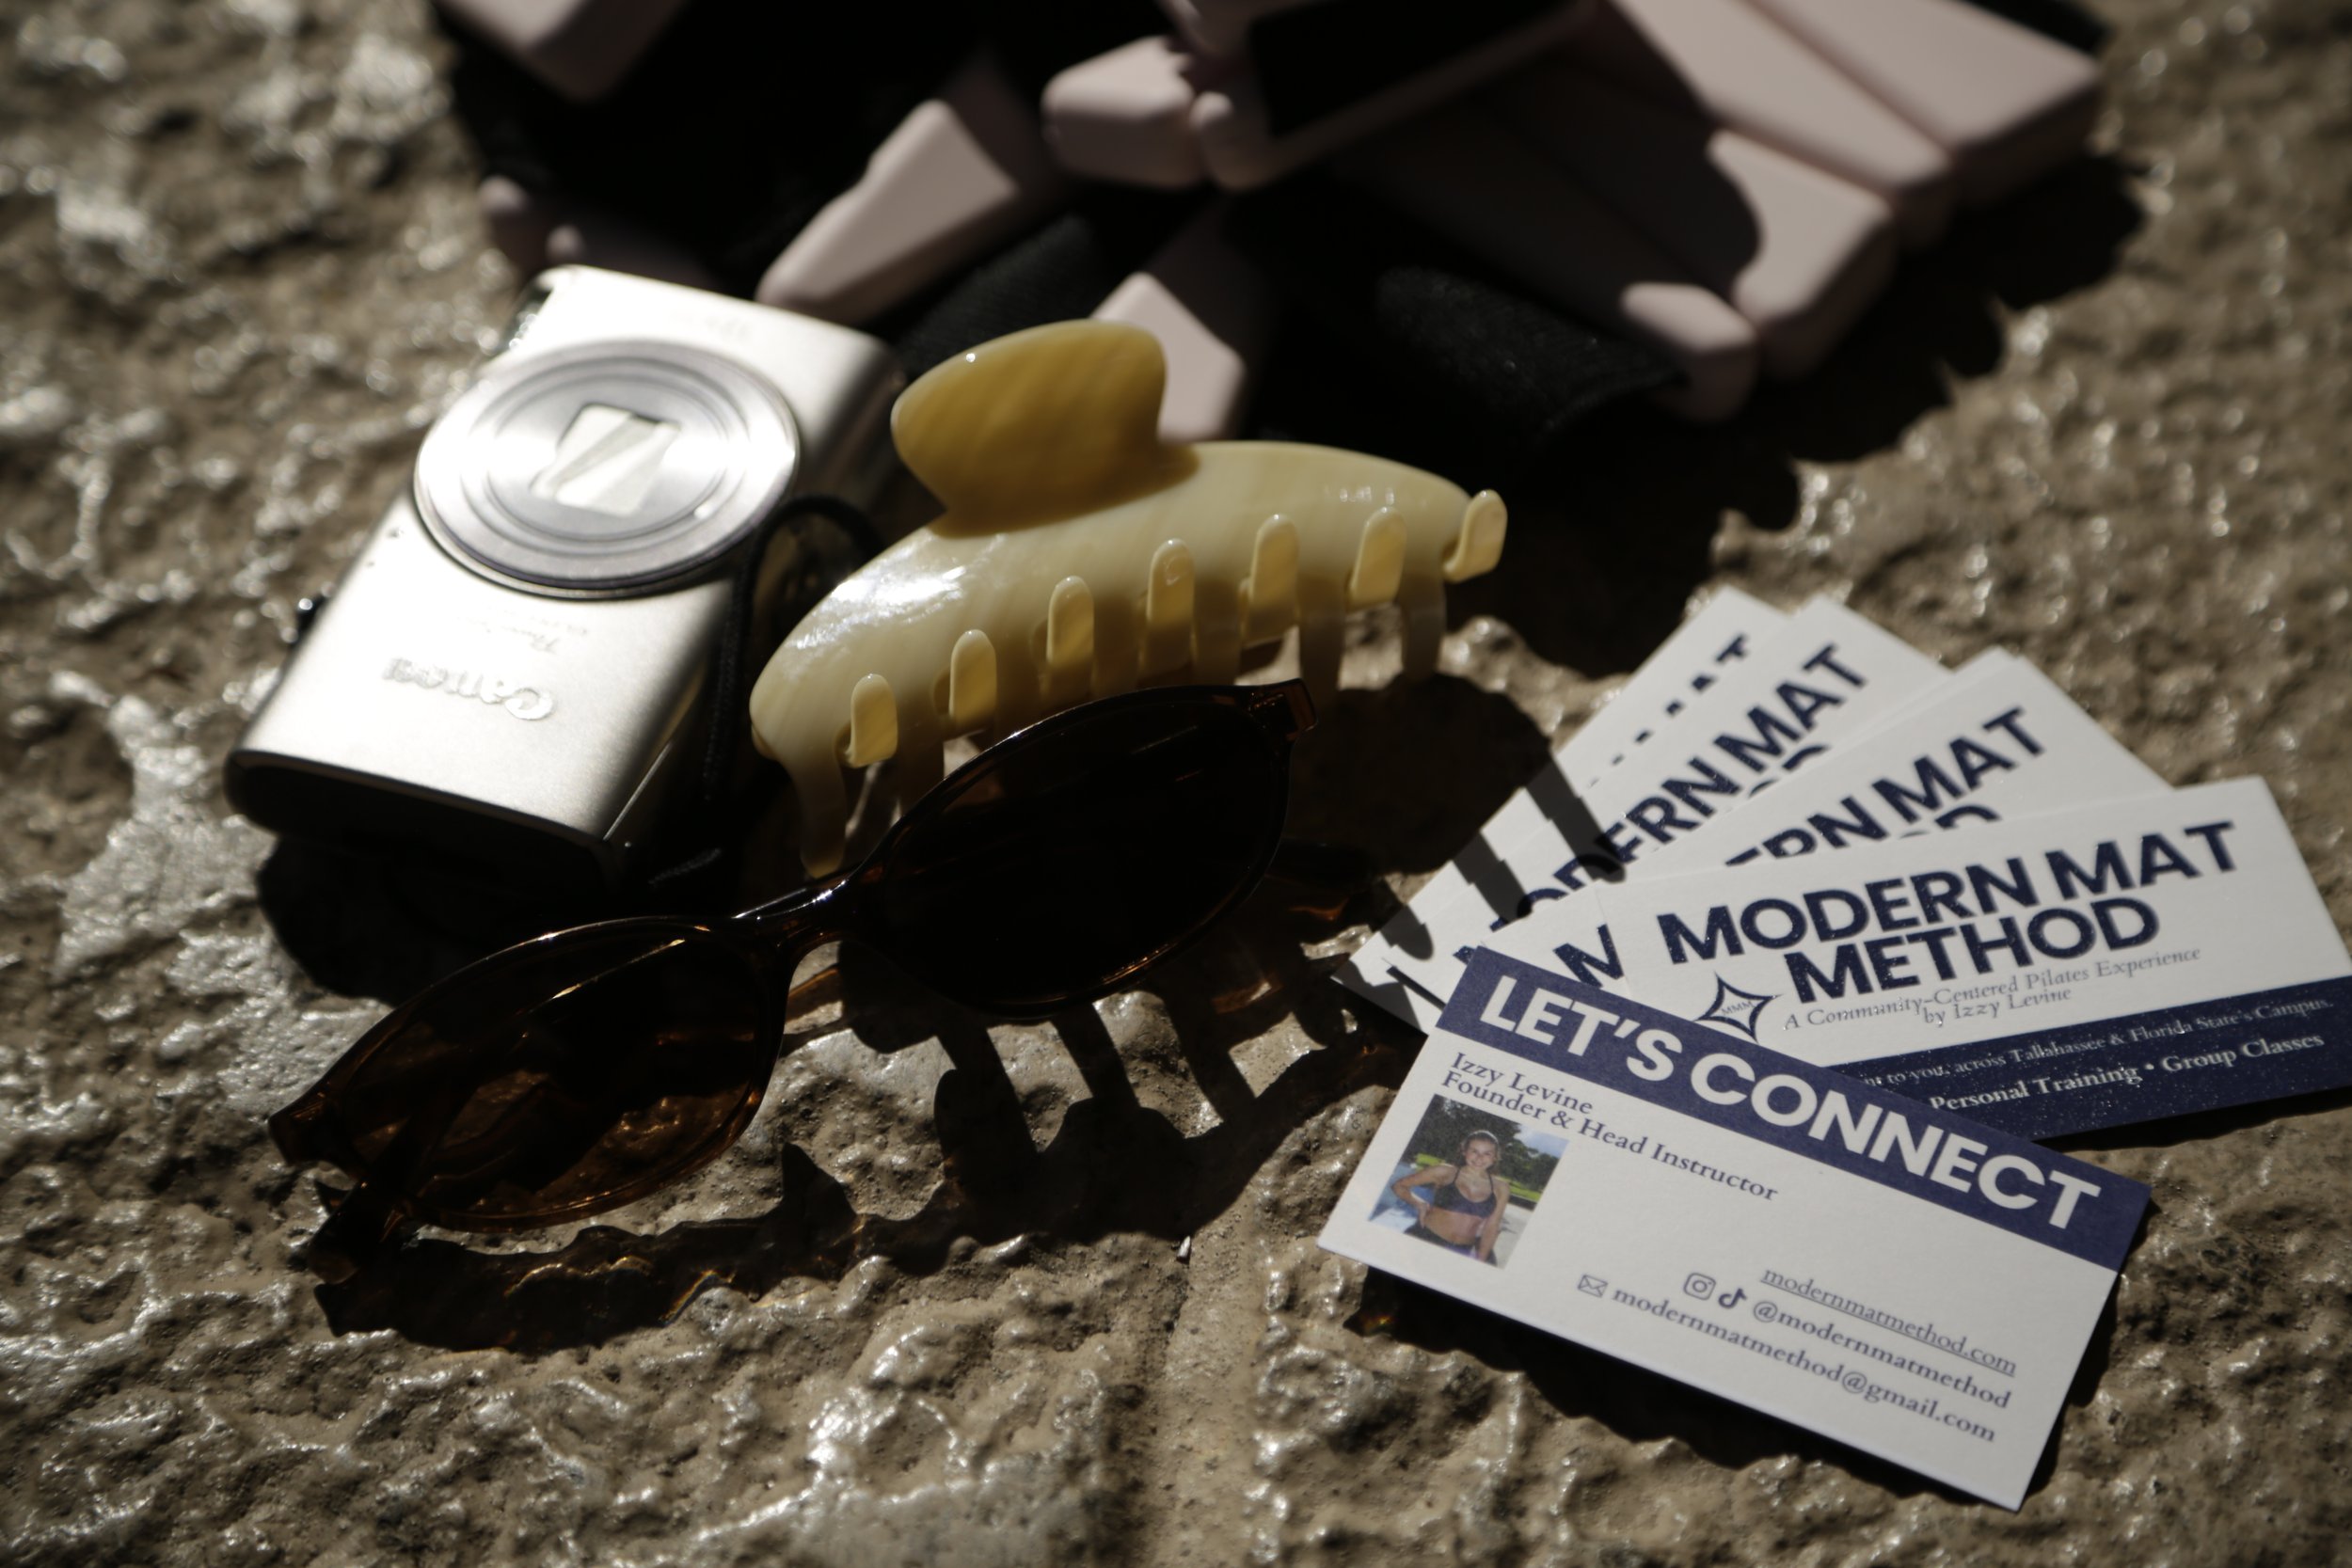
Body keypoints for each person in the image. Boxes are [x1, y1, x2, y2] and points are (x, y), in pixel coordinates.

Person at [1392, 1130, 1508, 1263]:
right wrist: (1419, 1204)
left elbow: (1492, 1226)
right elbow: (1399, 1186)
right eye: (1474, 1151)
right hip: (1425, 1239)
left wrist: (1480, 1261)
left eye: (1487, 1153)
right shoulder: (1445, 1172)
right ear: (1464, 1151)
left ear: (1495, 1157)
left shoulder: (1501, 1188)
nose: (1479, 1158)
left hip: (1461, 1251)